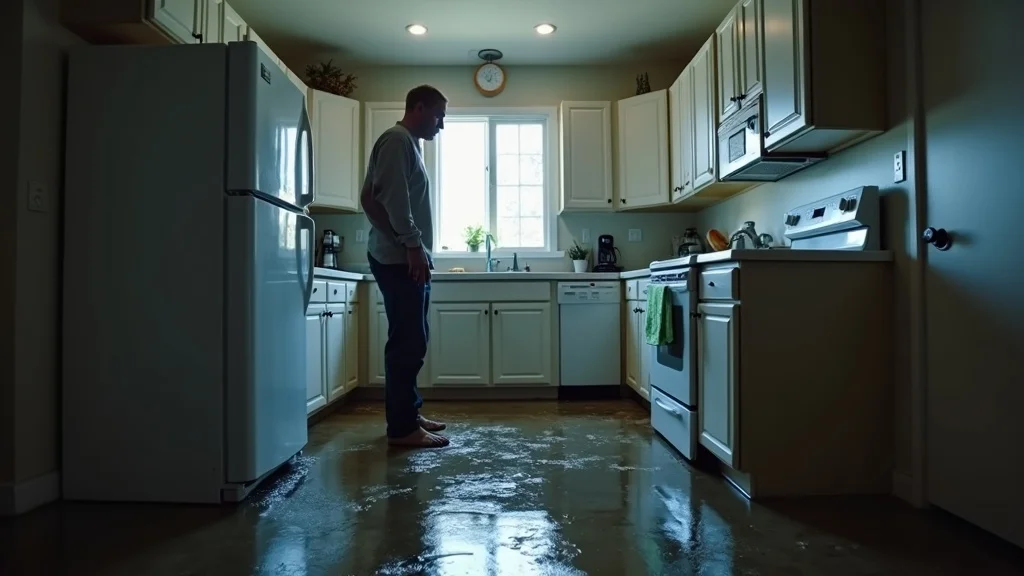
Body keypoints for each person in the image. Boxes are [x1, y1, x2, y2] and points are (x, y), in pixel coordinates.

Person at [360, 85, 449, 448]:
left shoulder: (407, 144)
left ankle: (407, 414)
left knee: (413, 339)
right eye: (438, 115)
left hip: (405, 256)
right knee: (408, 343)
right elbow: (393, 200)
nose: (441, 125)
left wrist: (414, 247)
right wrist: (411, 245)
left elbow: (368, 197)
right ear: (419, 107)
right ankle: (402, 429)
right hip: (400, 259)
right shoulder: (397, 141)